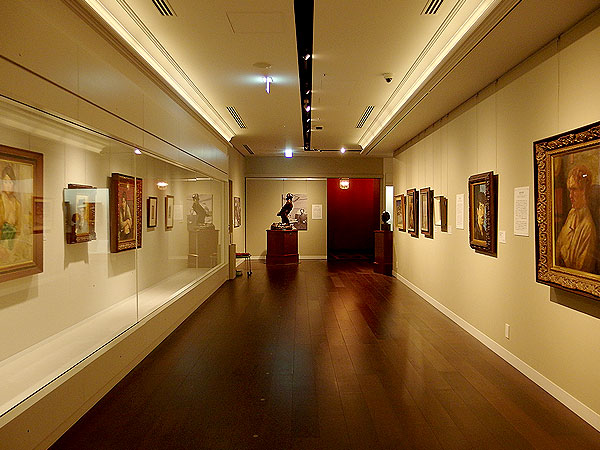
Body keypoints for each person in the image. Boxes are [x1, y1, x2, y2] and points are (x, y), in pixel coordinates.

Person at [556, 164, 597, 273]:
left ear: (584, 191)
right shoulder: (572, 214)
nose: (570, 195)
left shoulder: (588, 227)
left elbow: (582, 269)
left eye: (574, 189)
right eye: (570, 190)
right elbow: (558, 245)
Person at [0, 165, 21, 251]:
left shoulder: (17, 204)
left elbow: (19, 227)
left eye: (10, 182)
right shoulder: (0, 201)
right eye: (5, 182)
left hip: (13, 240)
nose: (8, 185)